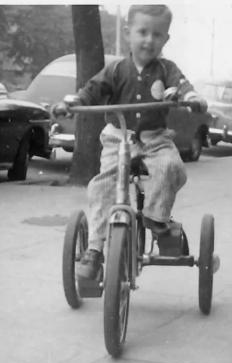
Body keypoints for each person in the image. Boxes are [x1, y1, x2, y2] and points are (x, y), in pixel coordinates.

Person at [54, 5, 207, 280]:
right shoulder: (115, 70)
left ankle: (156, 218)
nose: (149, 40)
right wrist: (75, 102)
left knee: (170, 167)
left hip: (154, 139)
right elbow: (92, 90)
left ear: (166, 40)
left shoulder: (167, 70)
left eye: (157, 34)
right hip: (118, 138)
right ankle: (95, 250)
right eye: (143, 32)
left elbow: (183, 86)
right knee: (101, 188)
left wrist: (192, 97)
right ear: (128, 34)